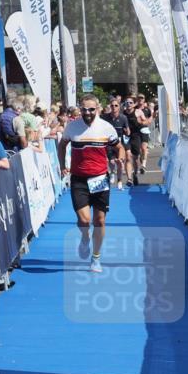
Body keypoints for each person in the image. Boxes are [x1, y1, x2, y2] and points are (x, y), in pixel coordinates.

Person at [58, 94, 124, 272]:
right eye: (84, 109)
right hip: (79, 178)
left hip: (100, 179)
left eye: (91, 109)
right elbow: (62, 145)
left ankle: (96, 258)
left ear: (98, 109)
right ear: (80, 109)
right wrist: (62, 165)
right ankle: (85, 237)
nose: (87, 112)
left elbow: (119, 147)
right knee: (84, 220)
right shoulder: (72, 127)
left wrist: (120, 159)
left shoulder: (106, 127)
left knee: (99, 221)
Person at [101, 98, 130, 189]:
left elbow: (128, 131)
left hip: (119, 143)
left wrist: (127, 131)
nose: (114, 107)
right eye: (112, 105)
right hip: (109, 142)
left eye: (116, 105)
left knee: (120, 162)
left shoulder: (123, 118)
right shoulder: (105, 117)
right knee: (112, 161)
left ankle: (120, 181)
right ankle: (112, 172)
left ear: (119, 107)